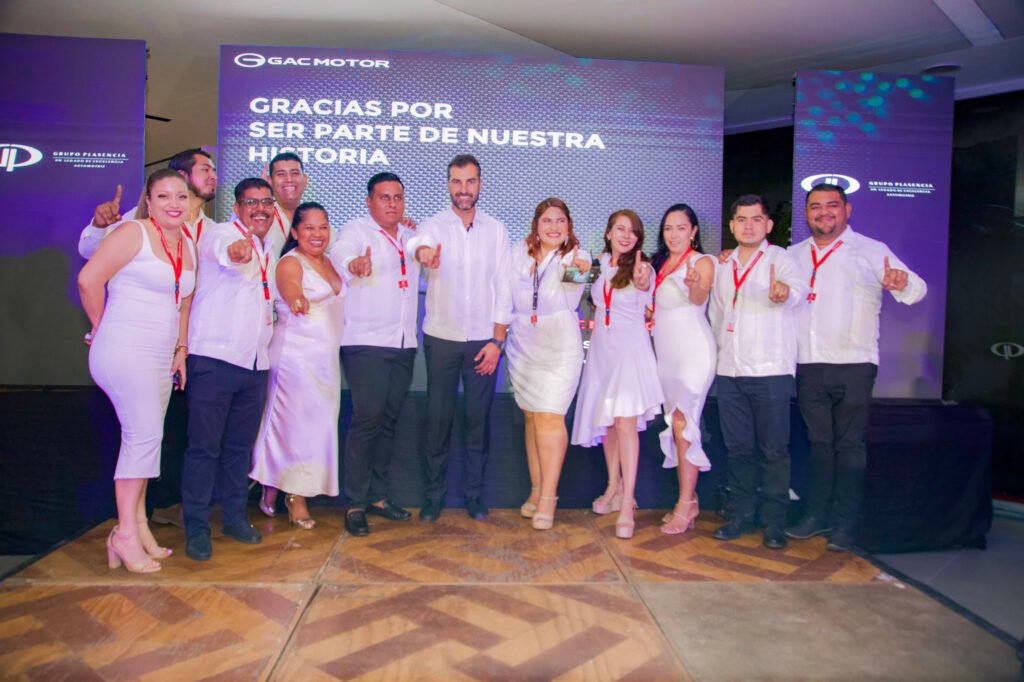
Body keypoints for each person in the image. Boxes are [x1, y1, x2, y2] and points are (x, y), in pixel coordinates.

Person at [785, 183, 926, 551]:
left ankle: (845, 525)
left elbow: (916, 290)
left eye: (832, 206)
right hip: (808, 364)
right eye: (815, 207)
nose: (823, 213)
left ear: (847, 210)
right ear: (806, 213)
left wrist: (902, 281)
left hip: (854, 365)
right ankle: (817, 516)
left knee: (849, 447)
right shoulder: (793, 255)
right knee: (819, 446)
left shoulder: (870, 251)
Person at [78, 169, 196, 573]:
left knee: (148, 439)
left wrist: (181, 349)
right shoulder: (132, 233)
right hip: (124, 350)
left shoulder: (187, 243)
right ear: (149, 200)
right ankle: (124, 534)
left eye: (180, 196)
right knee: (143, 436)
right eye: (164, 197)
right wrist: (100, 325)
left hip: (161, 356)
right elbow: (88, 279)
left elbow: (184, 304)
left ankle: (139, 525)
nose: (174, 204)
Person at [409, 154, 512, 522]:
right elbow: (418, 246)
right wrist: (423, 254)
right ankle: (433, 497)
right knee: (438, 420)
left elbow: (503, 287)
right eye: (456, 182)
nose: (463, 189)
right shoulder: (433, 226)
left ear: (480, 184)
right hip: (442, 339)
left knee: (477, 421)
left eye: (470, 182)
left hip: (484, 342)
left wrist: (497, 341)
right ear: (448, 184)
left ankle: (474, 495)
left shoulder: (497, 230)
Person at [181, 178, 278, 561]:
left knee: (239, 449)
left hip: (255, 363)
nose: (259, 209)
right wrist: (236, 250)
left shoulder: (268, 247)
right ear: (236, 208)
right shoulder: (219, 235)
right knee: (203, 449)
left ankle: (235, 518)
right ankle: (197, 529)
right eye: (251, 202)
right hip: (214, 361)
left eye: (266, 202)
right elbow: (227, 250)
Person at [709, 195, 805, 550]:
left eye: (756, 219)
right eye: (741, 219)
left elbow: (798, 291)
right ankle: (741, 515)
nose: (748, 225)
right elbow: (717, 315)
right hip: (730, 370)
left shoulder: (782, 259)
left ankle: (775, 523)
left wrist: (785, 293)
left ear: (768, 225)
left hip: (771, 371)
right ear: (732, 225)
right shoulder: (723, 265)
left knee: (774, 451)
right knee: (738, 450)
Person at [327, 172, 420, 537]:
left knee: (389, 421)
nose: (392, 203)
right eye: (384, 197)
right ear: (369, 201)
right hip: (365, 342)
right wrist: (354, 264)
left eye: (398, 197)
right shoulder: (356, 231)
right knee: (367, 421)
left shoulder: (411, 237)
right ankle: (354, 502)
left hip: (403, 342)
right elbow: (341, 252)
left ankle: (379, 497)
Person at [250, 202, 344, 529]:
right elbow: (290, 289)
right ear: (295, 232)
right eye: (309, 228)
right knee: (296, 427)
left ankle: (271, 483)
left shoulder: (330, 262)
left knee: (318, 427)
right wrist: (296, 299)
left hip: (325, 361)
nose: (317, 234)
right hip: (295, 357)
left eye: (322, 227)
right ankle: (296, 496)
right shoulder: (290, 262)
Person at [571, 209, 663, 540]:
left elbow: (644, 283)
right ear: (609, 232)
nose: (626, 235)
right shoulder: (598, 264)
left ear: (639, 239)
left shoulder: (643, 268)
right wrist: (576, 262)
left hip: (630, 350)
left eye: (633, 232)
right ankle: (614, 487)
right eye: (620, 229)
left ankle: (629, 503)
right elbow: (565, 281)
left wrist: (642, 278)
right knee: (607, 422)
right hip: (601, 351)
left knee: (626, 423)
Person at [507, 198, 592, 530]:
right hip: (524, 344)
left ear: (568, 226)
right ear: (536, 225)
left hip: (559, 345)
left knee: (549, 416)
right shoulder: (518, 253)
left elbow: (577, 279)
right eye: (547, 221)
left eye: (560, 221)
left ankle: (549, 498)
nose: (554, 227)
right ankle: (536, 488)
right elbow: (506, 292)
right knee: (531, 416)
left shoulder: (577, 256)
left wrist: (581, 271)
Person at [649, 204, 717, 535]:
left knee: (684, 422)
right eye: (667, 229)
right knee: (675, 424)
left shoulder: (701, 262)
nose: (673, 234)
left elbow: (699, 296)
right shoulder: (659, 264)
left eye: (680, 228)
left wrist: (693, 286)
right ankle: (686, 499)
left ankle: (687, 504)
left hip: (693, 350)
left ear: (693, 231)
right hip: (666, 353)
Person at [79, 148, 217, 258]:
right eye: (205, 170)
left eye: (214, 171)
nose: (213, 177)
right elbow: (89, 252)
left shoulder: (212, 230)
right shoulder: (142, 216)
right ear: (181, 175)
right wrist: (99, 227)